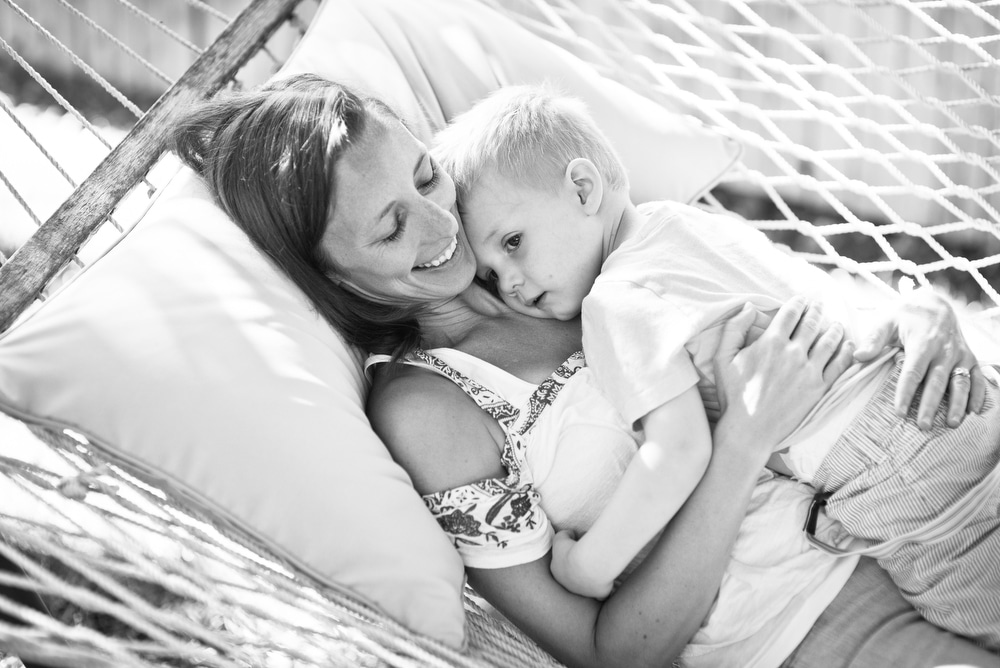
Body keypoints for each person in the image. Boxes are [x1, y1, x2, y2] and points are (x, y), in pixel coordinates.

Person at [172, 73, 999, 667]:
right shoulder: (429, 405)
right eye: (392, 229)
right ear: (339, 278)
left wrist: (921, 314)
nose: (442, 225)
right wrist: (743, 442)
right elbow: (610, 653)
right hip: (808, 631)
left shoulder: (566, 252)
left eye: (426, 175)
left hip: (903, 523)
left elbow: (785, 300)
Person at [431, 84, 1000, 648]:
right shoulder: (684, 223)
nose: (508, 283)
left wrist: (589, 567)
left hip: (892, 468)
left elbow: (678, 451)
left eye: (512, 243)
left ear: (583, 188)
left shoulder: (615, 302)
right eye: (489, 274)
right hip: (934, 389)